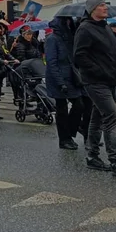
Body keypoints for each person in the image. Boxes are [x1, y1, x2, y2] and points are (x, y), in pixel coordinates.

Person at [73, 0, 116, 177]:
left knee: (97, 118)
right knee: (110, 115)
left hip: (109, 80)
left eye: (105, 4)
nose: (105, 7)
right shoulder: (85, 29)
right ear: (92, 9)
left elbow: (112, 54)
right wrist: (99, 71)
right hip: (95, 81)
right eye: (101, 5)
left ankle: (92, 156)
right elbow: (79, 57)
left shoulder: (105, 27)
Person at [46, 16, 84, 150]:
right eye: (67, 22)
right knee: (61, 109)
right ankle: (64, 139)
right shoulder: (52, 39)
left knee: (79, 104)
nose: (69, 24)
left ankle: (71, 130)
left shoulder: (68, 38)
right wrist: (60, 82)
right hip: (58, 79)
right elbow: (52, 62)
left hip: (71, 77)